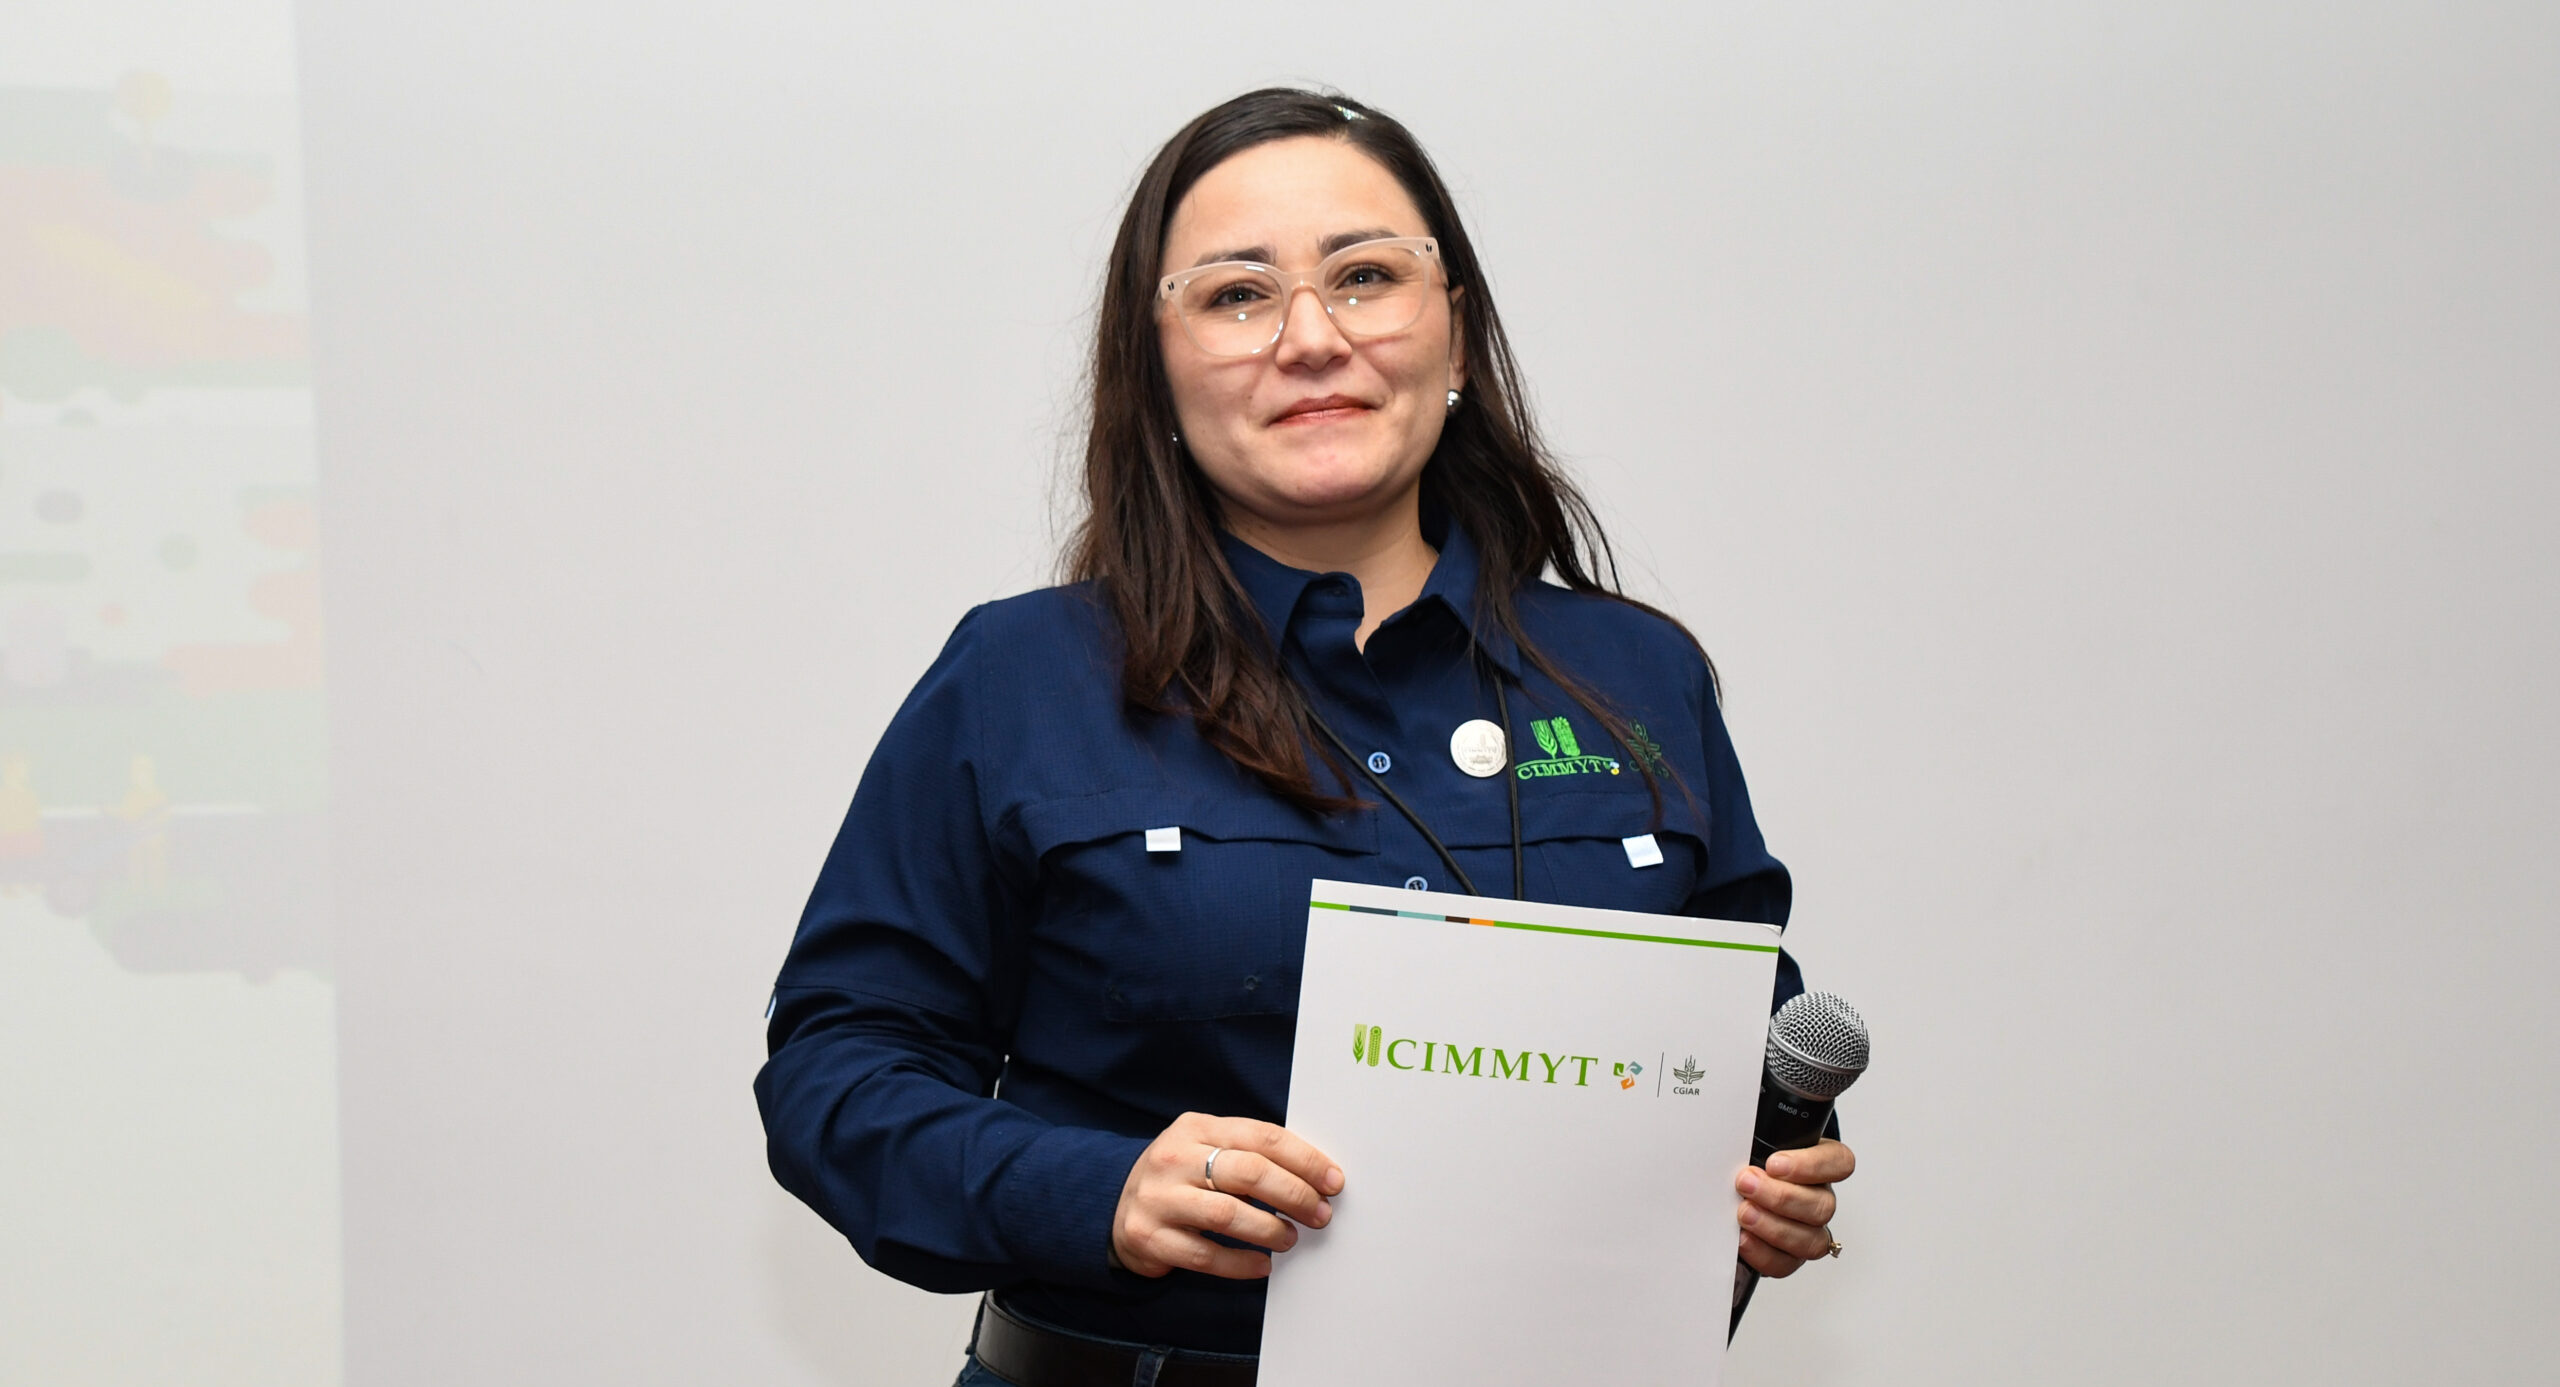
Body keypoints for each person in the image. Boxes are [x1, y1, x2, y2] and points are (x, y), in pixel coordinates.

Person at [756, 87, 1857, 1387]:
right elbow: (839, 1073)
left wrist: (1771, 1171)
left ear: (1454, 335)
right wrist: (1096, 1188)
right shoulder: (1025, 677)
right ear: (1155, 368)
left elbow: (1742, 1043)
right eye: (1235, 295)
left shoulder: (1641, 676)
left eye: (1365, 276)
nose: (1311, 337)